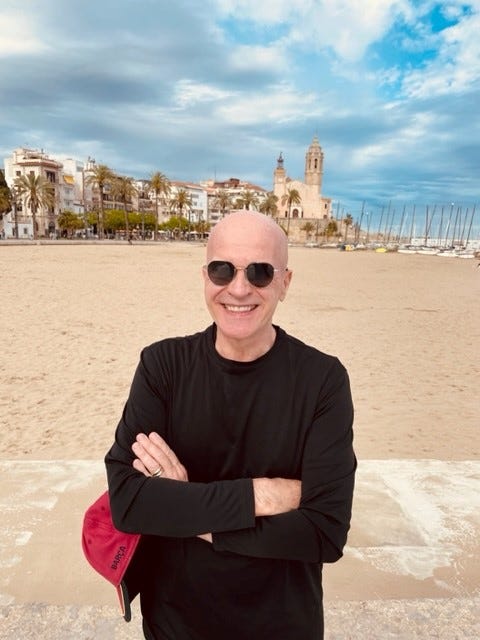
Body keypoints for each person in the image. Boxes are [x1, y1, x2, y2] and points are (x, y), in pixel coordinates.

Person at [105, 210, 356, 640]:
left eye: (259, 273)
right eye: (223, 270)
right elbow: (128, 502)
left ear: (285, 282)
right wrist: (261, 494)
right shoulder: (162, 366)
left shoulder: (323, 380)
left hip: (282, 625)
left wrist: (184, 504)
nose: (239, 288)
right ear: (205, 276)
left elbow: (325, 533)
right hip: (174, 623)